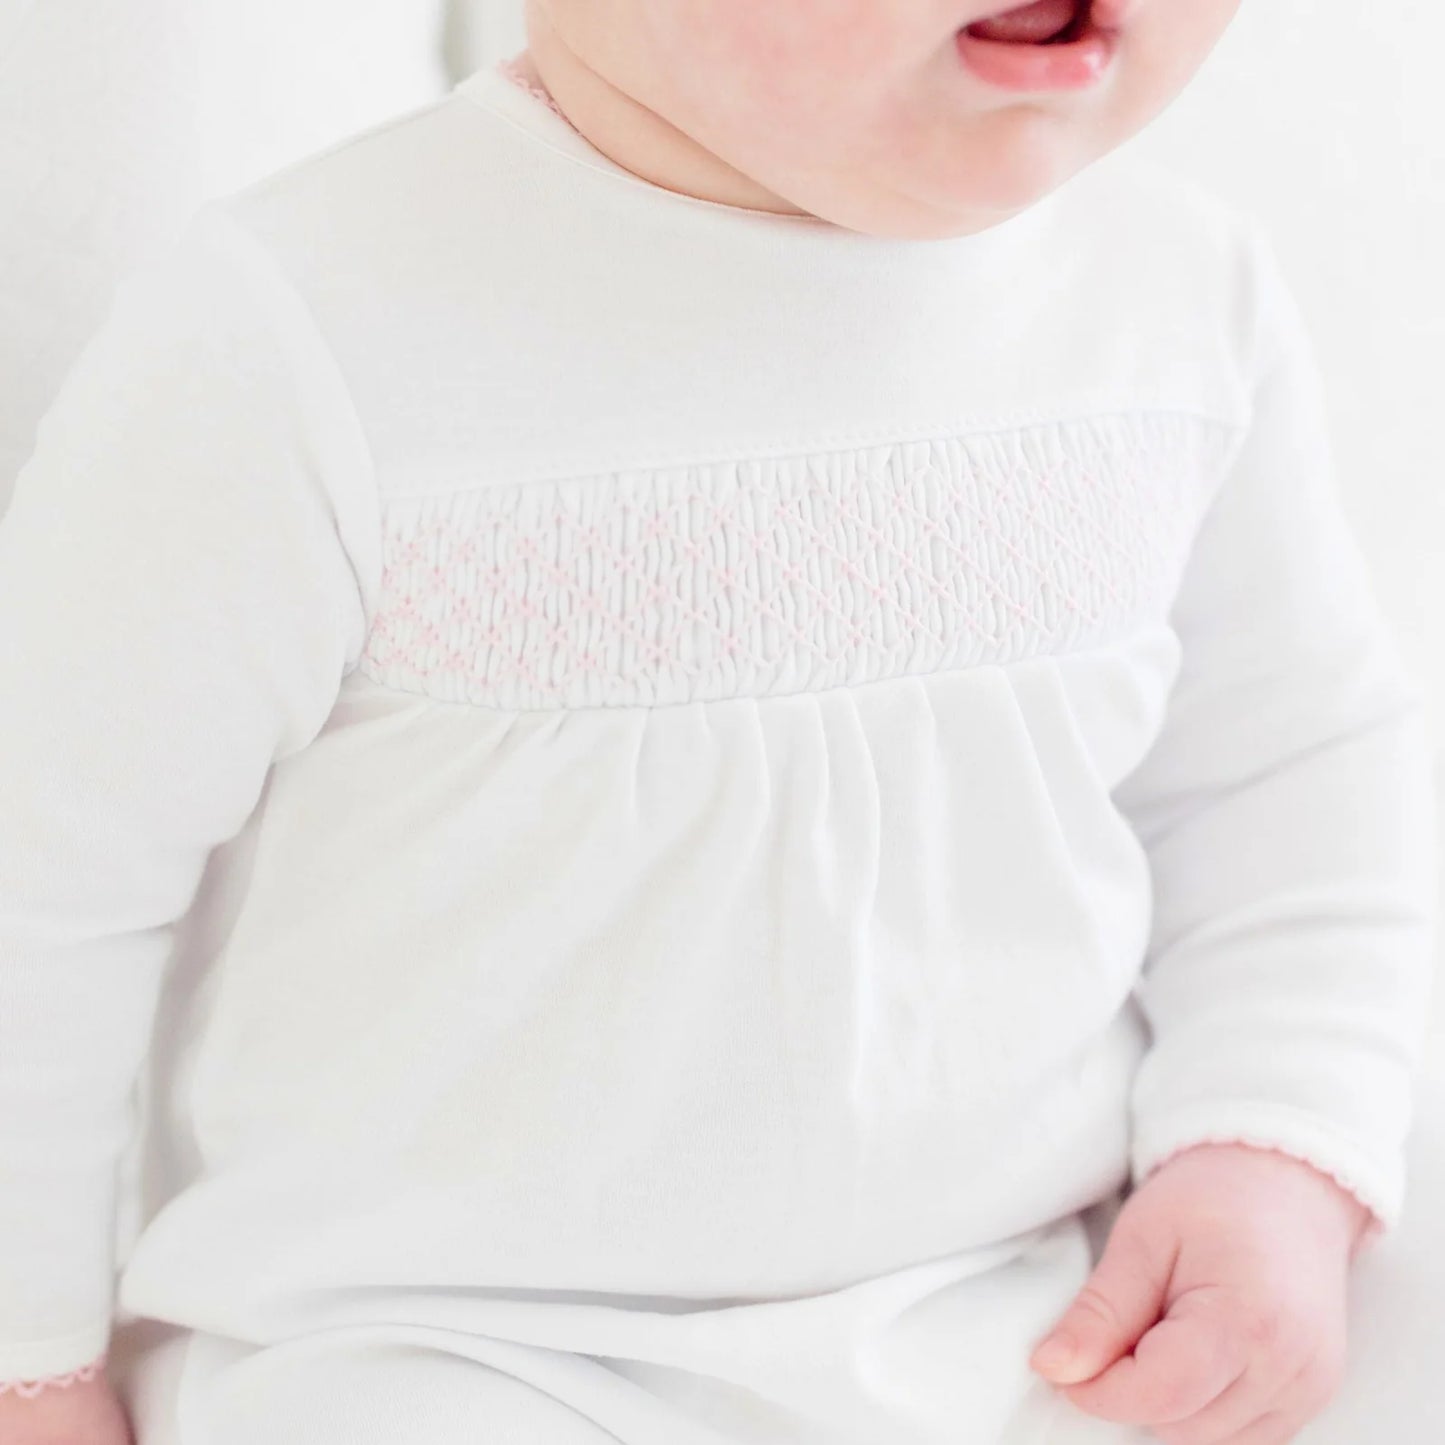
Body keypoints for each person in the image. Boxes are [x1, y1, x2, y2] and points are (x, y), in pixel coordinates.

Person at [0, 0, 1435, 1441]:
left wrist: (1264, 1143)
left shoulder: (1173, 294)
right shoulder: (305, 326)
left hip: (1033, 1306)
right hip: (440, 1347)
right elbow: (47, 876)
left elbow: (1284, 768)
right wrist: (35, 1361)